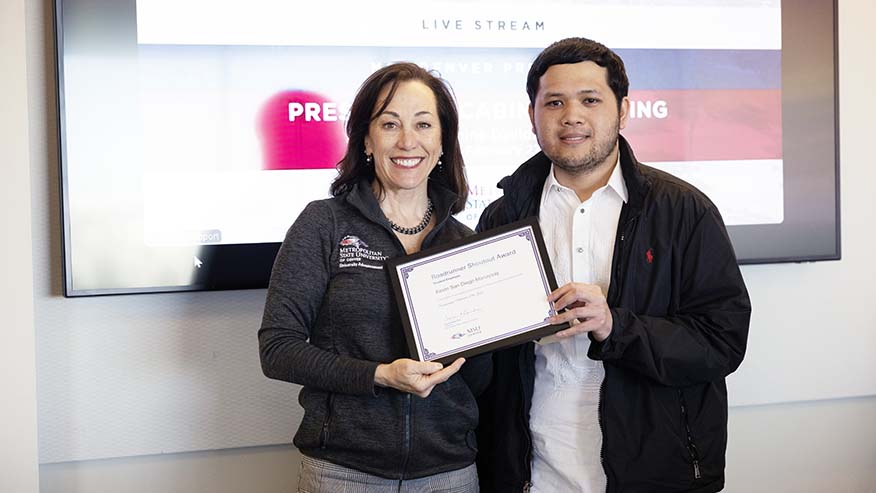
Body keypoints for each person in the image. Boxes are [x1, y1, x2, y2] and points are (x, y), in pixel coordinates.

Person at [475, 38, 751, 492]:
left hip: (652, 470)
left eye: (590, 100)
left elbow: (722, 341)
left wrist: (613, 325)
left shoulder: (684, 211)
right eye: (555, 102)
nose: (571, 117)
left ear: (623, 111)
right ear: (532, 116)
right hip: (532, 470)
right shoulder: (503, 217)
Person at [259, 62, 490, 492]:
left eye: (423, 124)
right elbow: (277, 349)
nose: (407, 141)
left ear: (442, 142)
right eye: (390, 124)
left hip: (449, 474)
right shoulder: (323, 224)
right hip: (344, 471)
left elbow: (478, 376)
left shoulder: (466, 243)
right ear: (367, 138)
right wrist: (380, 375)